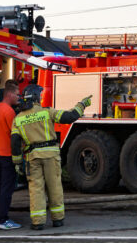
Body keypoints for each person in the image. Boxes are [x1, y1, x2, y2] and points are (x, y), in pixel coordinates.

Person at [10, 84, 92, 230]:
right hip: (51, 156)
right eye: (40, 96)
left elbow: (15, 141)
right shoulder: (47, 112)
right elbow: (70, 117)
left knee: (36, 189)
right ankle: (58, 219)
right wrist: (82, 104)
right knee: (54, 187)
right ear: (36, 97)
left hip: (32, 158)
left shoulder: (18, 119)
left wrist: (17, 162)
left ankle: (38, 222)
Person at [0, 86, 22, 230]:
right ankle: (3, 220)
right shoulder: (9, 112)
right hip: (6, 154)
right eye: (17, 94)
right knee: (6, 189)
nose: (18, 97)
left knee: (1, 187)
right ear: (9, 94)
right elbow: (15, 134)